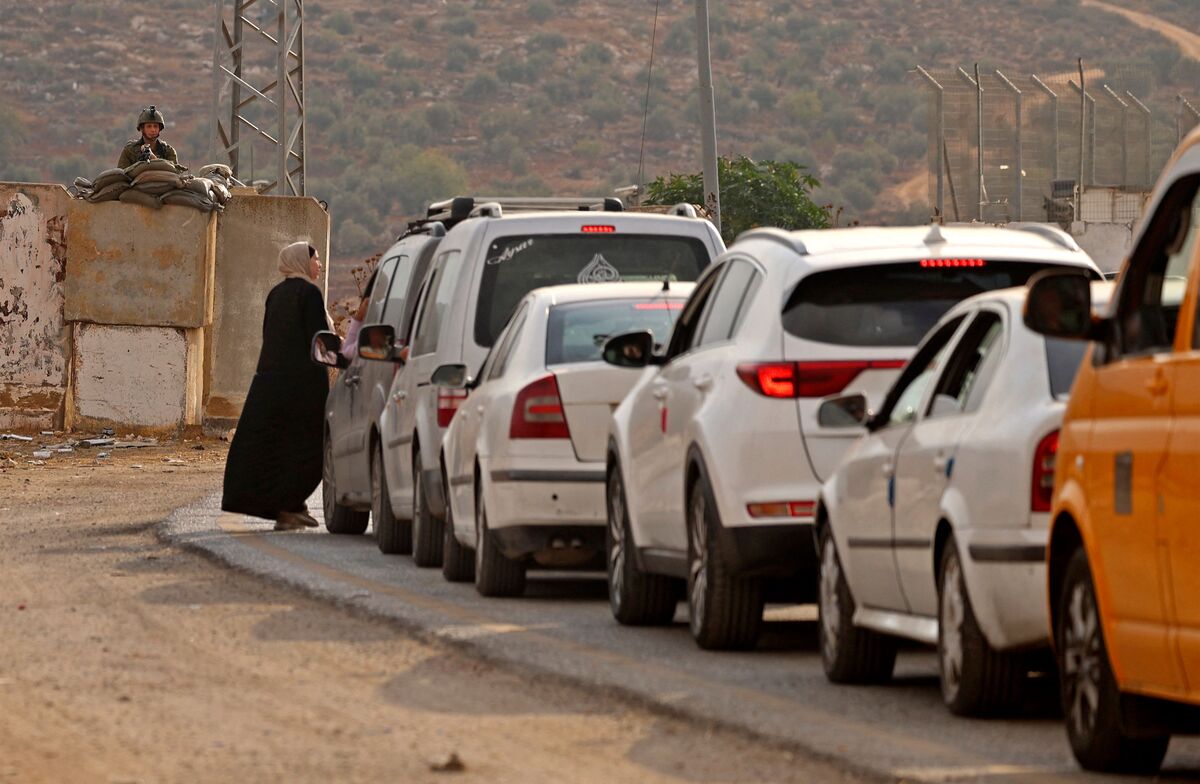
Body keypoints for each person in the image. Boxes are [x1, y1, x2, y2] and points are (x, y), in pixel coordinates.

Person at [222, 241, 332, 531]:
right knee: (312, 448)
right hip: (303, 388)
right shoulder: (309, 293)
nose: (318, 264)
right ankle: (288, 506)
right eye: (315, 259)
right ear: (300, 262)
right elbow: (319, 341)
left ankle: (290, 507)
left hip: (269, 385)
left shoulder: (275, 294)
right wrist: (345, 359)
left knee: (272, 448)